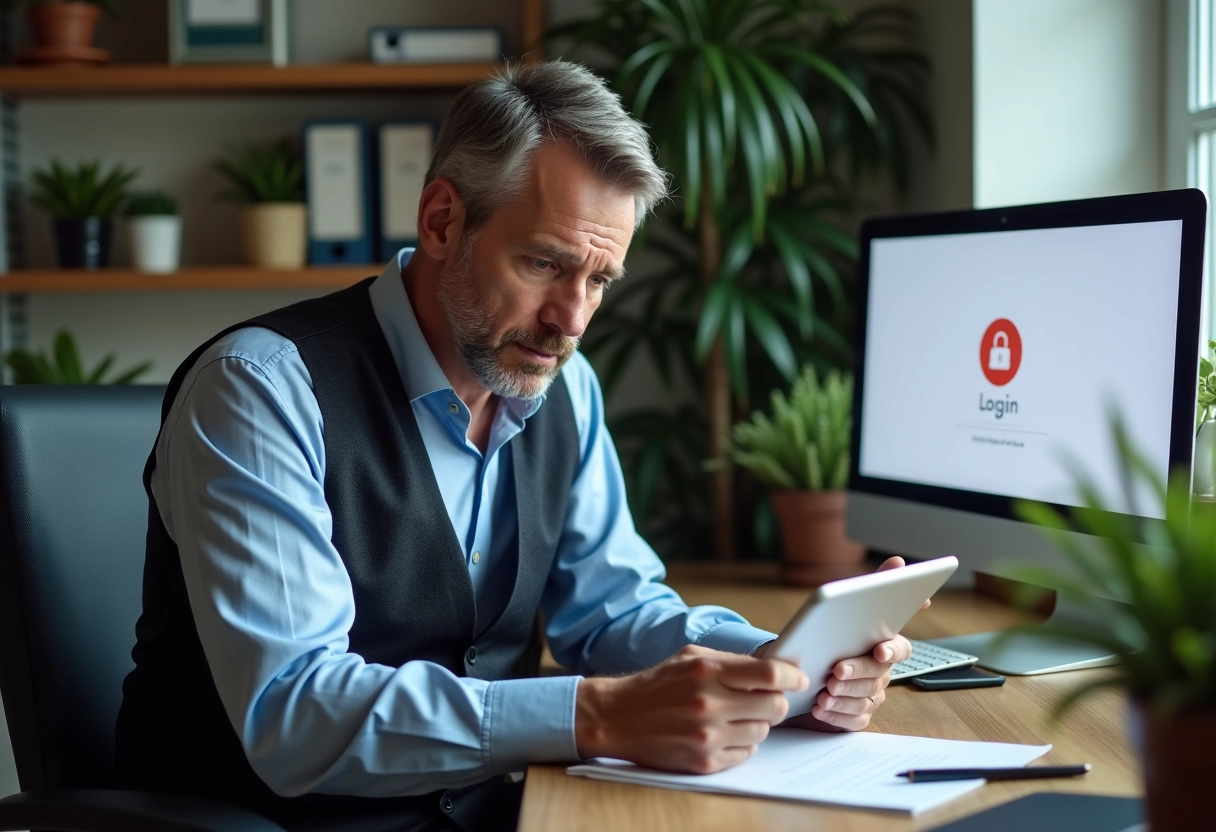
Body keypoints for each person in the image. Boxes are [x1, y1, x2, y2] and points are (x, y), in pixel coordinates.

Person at [115, 59, 913, 832]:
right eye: (544, 264)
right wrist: (594, 713)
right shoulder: (259, 389)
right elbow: (295, 714)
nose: (571, 319)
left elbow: (613, 614)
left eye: (599, 282)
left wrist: (774, 663)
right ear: (441, 221)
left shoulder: (564, 384)